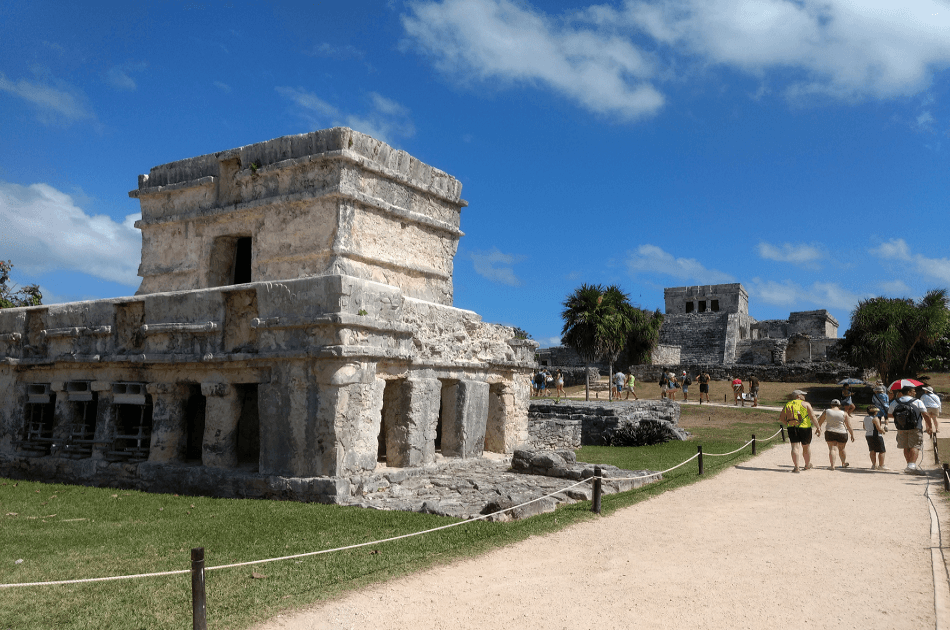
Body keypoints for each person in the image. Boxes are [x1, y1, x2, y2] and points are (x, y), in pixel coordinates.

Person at [887, 385, 933, 474]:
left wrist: (901, 418)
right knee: (915, 446)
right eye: (913, 391)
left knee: (906, 446)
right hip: (915, 427)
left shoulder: (895, 402)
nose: (915, 393)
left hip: (901, 427)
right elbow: (926, 415)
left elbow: (889, 414)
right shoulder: (917, 401)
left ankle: (909, 466)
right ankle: (911, 466)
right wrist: (930, 427)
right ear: (908, 392)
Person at [779, 390, 818, 473]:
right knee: (806, 446)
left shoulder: (788, 404)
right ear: (798, 396)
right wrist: (818, 427)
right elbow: (813, 417)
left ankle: (796, 467)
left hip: (792, 427)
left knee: (794, 447)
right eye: (802, 395)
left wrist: (788, 424)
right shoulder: (806, 404)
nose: (804, 396)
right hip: (805, 427)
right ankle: (807, 465)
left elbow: (781, 418)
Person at [816, 399, 854, 470]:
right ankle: (843, 463)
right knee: (842, 449)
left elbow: (820, 421)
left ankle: (832, 465)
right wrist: (852, 434)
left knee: (832, 449)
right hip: (842, 432)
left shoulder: (827, 411)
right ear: (839, 405)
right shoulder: (844, 413)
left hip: (830, 431)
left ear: (831, 405)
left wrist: (818, 429)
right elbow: (849, 425)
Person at [863, 405, 887, 470]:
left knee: (872, 450)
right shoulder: (875, 418)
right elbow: (879, 428)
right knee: (882, 451)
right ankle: (881, 465)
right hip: (876, 435)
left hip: (868, 435)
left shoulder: (865, 418)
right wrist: (883, 431)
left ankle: (874, 465)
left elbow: (864, 427)